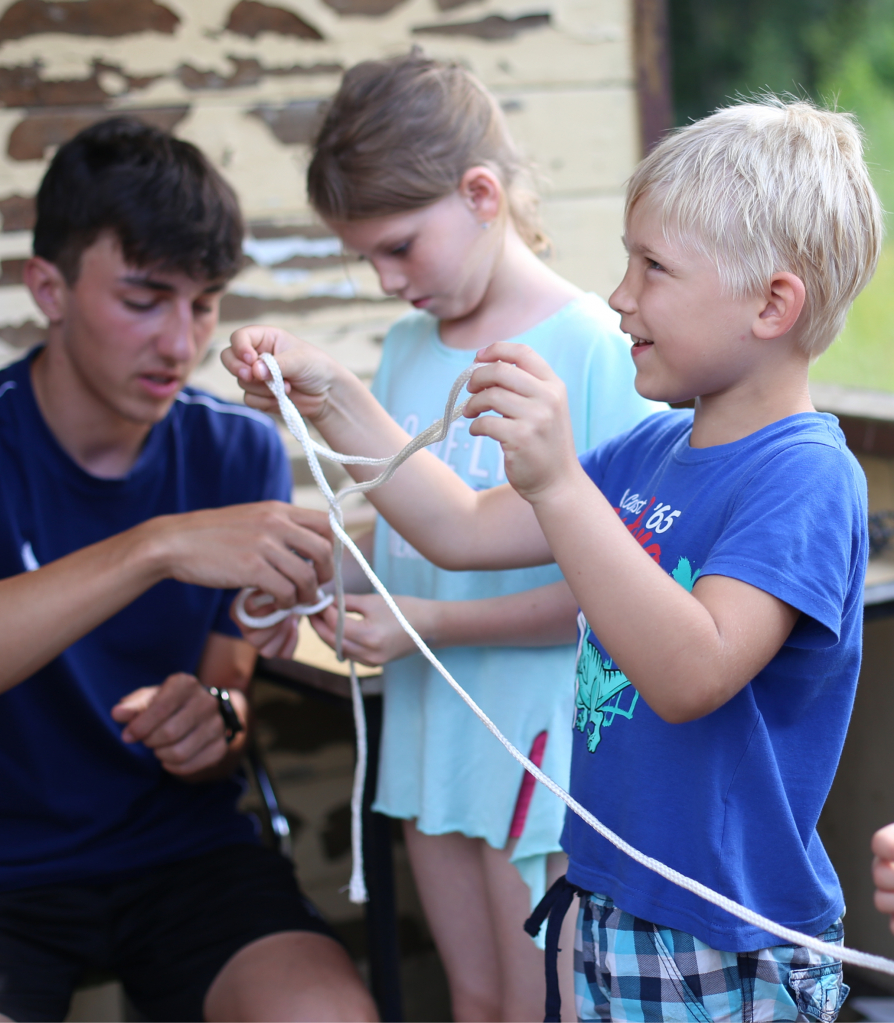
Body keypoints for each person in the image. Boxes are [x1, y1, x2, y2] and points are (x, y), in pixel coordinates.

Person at [225, 96, 879, 1022]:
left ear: (772, 303)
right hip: (610, 891)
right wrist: (330, 394)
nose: (620, 294)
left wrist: (559, 483)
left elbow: (692, 672)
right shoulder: (650, 453)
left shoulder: (806, 475)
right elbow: (457, 528)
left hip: (723, 933)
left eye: (652, 267)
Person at [0, 117, 376, 1023]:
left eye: (205, 301)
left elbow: (227, 692)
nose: (180, 342)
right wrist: (156, 546)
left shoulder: (234, 450)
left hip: (184, 853)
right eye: (145, 298)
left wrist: (211, 720)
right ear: (47, 289)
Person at [237, 54, 662, 1022]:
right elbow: (401, 525)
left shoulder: (594, 348)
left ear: (480, 194)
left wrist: (425, 619)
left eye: (398, 247)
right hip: (431, 733)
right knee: (472, 1000)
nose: (387, 281)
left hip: (540, 742)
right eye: (366, 258)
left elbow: (607, 594)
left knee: (538, 1008)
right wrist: (300, 570)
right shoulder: (402, 351)